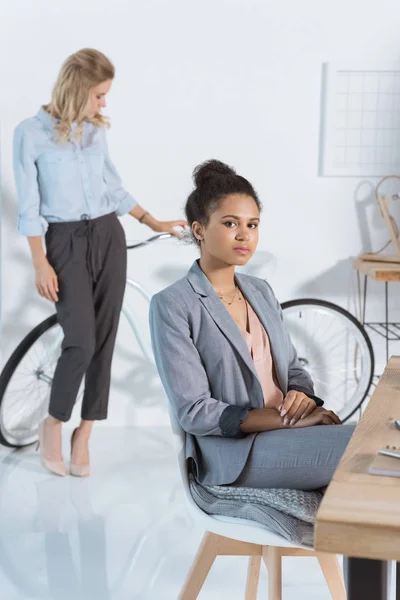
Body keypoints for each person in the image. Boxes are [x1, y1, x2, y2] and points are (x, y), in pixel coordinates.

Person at [13, 48, 186, 477]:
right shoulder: (29, 134)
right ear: (77, 89)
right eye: (99, 95)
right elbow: (29, 206)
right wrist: (40, 262)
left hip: (108, 234)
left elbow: (114, 186)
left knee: (105, 340)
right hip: (64, 241)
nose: (103, 103)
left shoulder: (95, 133)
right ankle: (54, 422)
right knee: (81, 341)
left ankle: (85, 432)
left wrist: (155, 221)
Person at [149, 159, 355, 490]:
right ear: (199, 229)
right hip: (237, 453)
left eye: (253, 224)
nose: (245, 234)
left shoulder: (260, 291)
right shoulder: (173, 304)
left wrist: (302, 400)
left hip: (290, 432)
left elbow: (293, 369)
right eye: (231, 223)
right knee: (365, 453)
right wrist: (286, 423)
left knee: (379, 440)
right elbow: (195, 412)